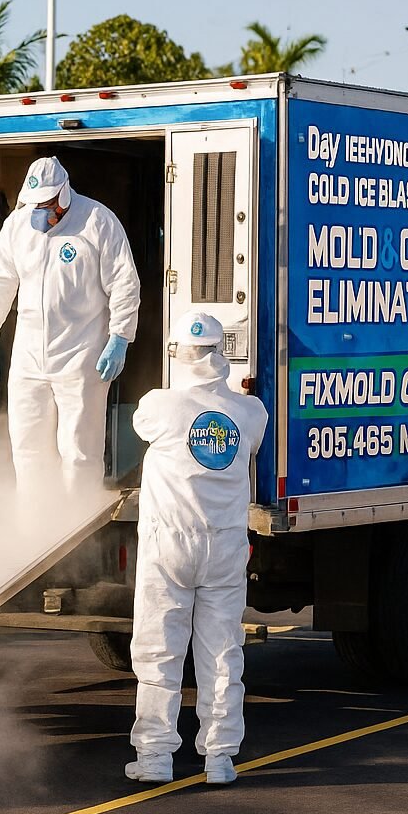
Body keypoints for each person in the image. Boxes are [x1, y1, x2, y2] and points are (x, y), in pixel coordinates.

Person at [126, 312, 267, 786]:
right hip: (225, 545)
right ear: (221, 354)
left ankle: (154, 758)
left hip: (169, 544)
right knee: (223, 654)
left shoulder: (158, 406)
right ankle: (220, 758)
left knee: (159, 652)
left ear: (175, 353)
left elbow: (142, 425)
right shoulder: (250, 413)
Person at [0, 155, 141, 491]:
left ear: (64, 195)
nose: (41, 212)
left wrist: (120, 336)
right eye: (35, 204)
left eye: (47, 204)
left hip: (81, 351)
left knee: (79, 448)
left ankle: (77, 526)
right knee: (26, 445)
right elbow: (0, 280)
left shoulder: (97, 221)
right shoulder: (17, 226)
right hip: (29, 354)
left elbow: (124, 282)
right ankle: (34, 526)